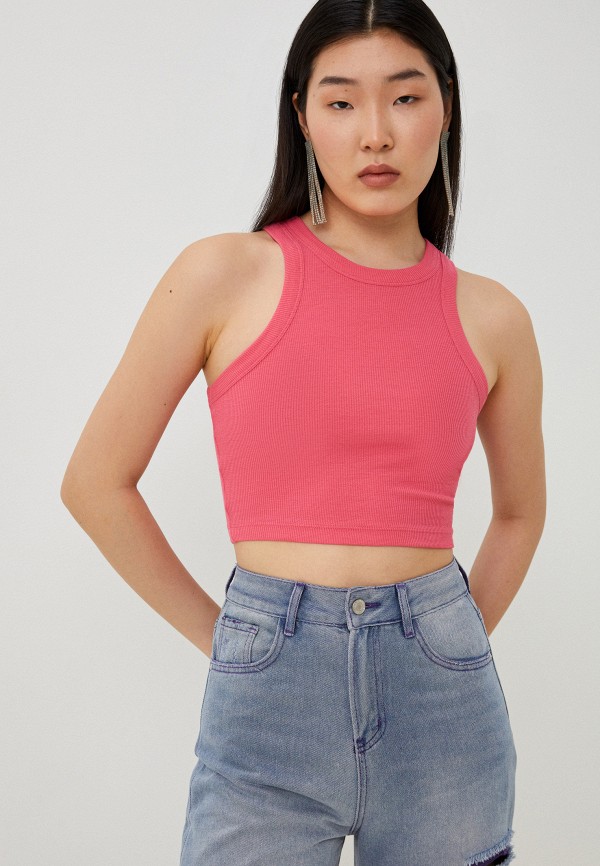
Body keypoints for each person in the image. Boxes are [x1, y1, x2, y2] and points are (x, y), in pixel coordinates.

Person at [61, 0, 545, 863]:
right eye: (341, 101)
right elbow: (95, 483)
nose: (375, 134)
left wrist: (450, 641)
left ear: (445, 106)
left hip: (446, 713)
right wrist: (234, 639)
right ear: (302, 116)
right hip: (266, 699)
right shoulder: (224, 274)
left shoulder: (493, 316)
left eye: (405, 97)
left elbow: (520, 514)